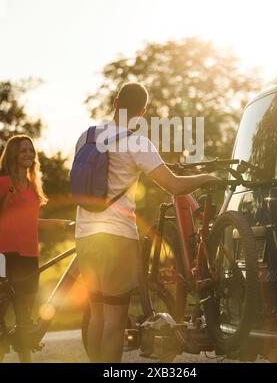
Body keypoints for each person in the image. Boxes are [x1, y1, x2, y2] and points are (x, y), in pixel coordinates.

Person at [75, 82, 221, 363]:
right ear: (142, 112)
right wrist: (207, 177)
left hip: (85, 235)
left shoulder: (86, 136)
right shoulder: (136, 142)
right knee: (115, 320)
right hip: (116, 238)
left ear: (116, 102)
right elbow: (174, 185)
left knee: (97, 314)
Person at [0, 135, 69, 362]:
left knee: (25, 318)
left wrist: (57, 224)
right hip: (5, 255)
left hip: (29, 255)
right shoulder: (3, 183)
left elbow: (29, 221)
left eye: (31, 150)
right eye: (23, 151)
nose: (29, 154)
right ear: (13, 155)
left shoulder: (32, 187)